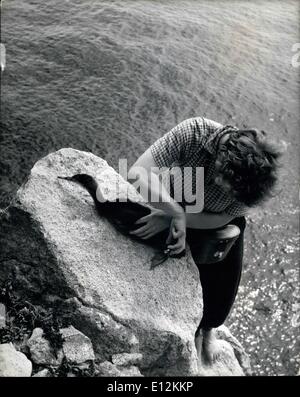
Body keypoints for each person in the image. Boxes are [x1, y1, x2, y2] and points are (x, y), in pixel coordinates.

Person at [128, 117, 282, 368]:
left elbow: (222, 216)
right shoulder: (194, 134)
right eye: (226, 185)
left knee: (222, 295)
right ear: (222, 160)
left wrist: (173, 220)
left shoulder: (251, 186)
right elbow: (136, 174)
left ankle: (207, 329)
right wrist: (173, 212)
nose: (226, 193)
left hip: (217, 224)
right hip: (173, 202)